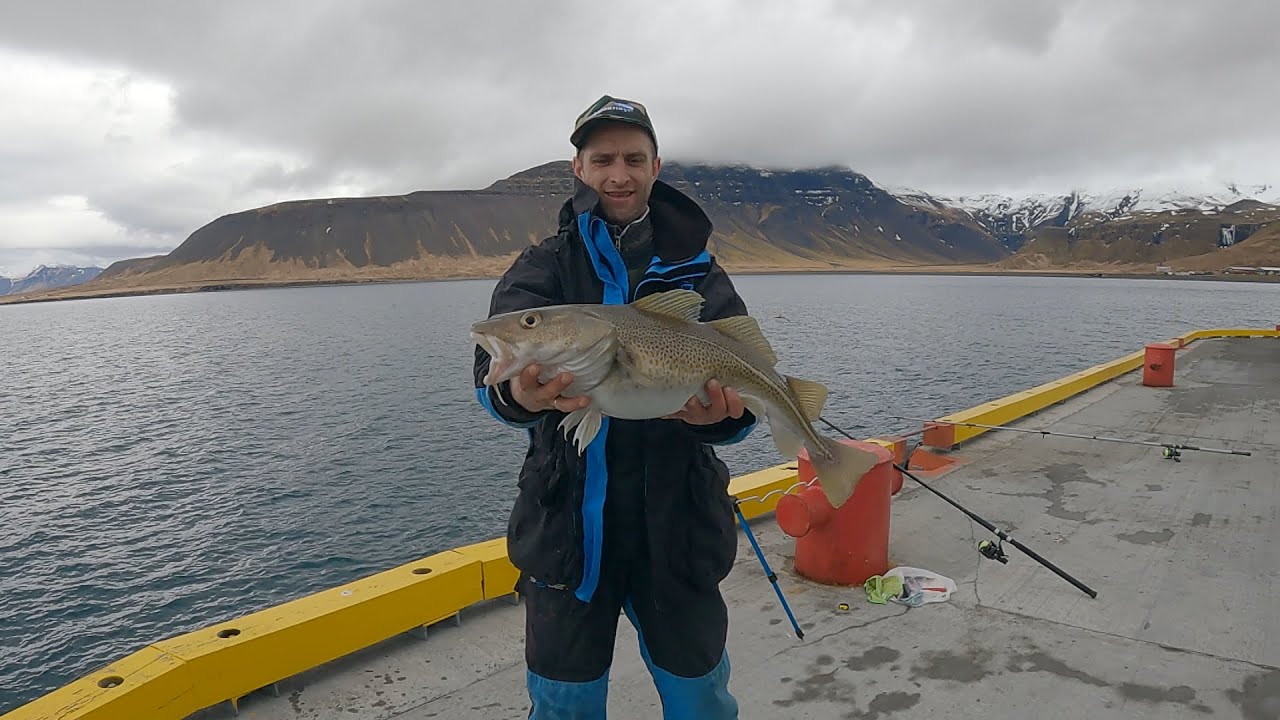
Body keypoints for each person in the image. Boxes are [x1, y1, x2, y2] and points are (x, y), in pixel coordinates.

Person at [472, 94, 757, 718]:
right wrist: (517, 393)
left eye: (633, 158)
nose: (618, 174)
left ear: (657, 165)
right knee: (564, 706)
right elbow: (489, 382)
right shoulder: (543, 267)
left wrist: (727, 417)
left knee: (701, 698)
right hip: (567, 534)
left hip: (678, 530)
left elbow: (742, 399)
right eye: (603, 160)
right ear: (579, 168)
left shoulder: (699, 273)